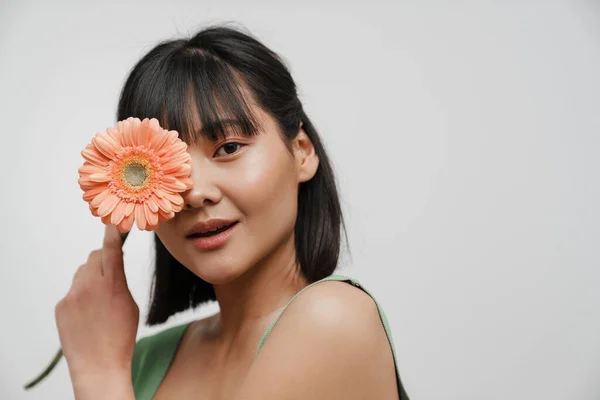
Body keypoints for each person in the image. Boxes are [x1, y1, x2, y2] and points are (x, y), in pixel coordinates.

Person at [55, 24, 410, 399]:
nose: (194, 193)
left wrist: (98, 374)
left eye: (228, 148)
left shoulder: (332, 319)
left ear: (302, 151)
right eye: (162, 167)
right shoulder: (143, 360)